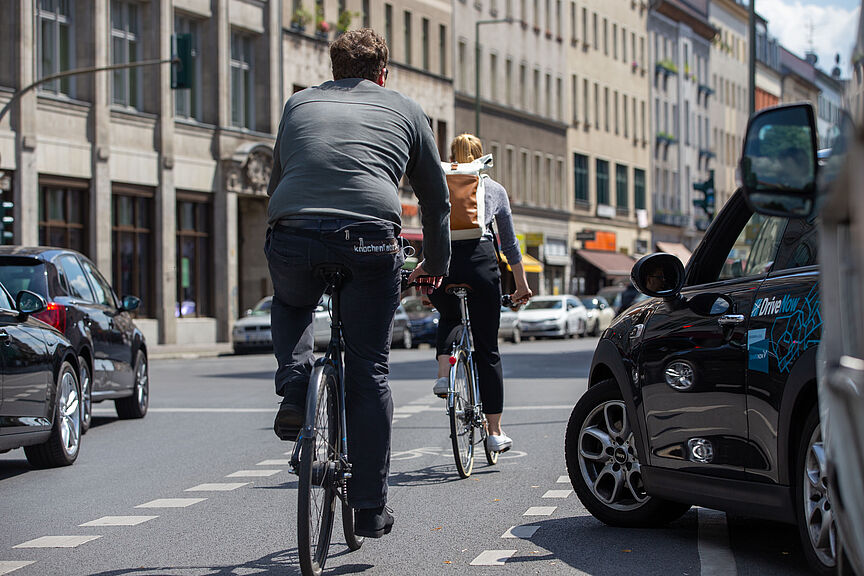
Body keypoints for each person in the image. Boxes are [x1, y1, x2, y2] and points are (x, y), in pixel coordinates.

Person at [265, 29, 450, 538]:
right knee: (368, 373)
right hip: (369, 239)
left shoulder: (297, 105)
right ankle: (369, 507)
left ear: (333, 67)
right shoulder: (406, 109)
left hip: (293, 232)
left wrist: (286, 230)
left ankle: (296, 386)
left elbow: (277, 183)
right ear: (382, 73)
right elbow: (436, 202)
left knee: (290, 304)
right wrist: (435, 262)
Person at [427, 134, 532, 454]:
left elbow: (428, 230)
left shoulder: (437, 183)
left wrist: (426, 278)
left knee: (449, 316)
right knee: (487, 349)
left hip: (442, 261)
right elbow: (510, 245)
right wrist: (521, 285)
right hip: (480, 261)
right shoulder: (494, 189)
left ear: (451, 156)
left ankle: (444, 375)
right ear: (480, 156)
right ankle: (495, 431)